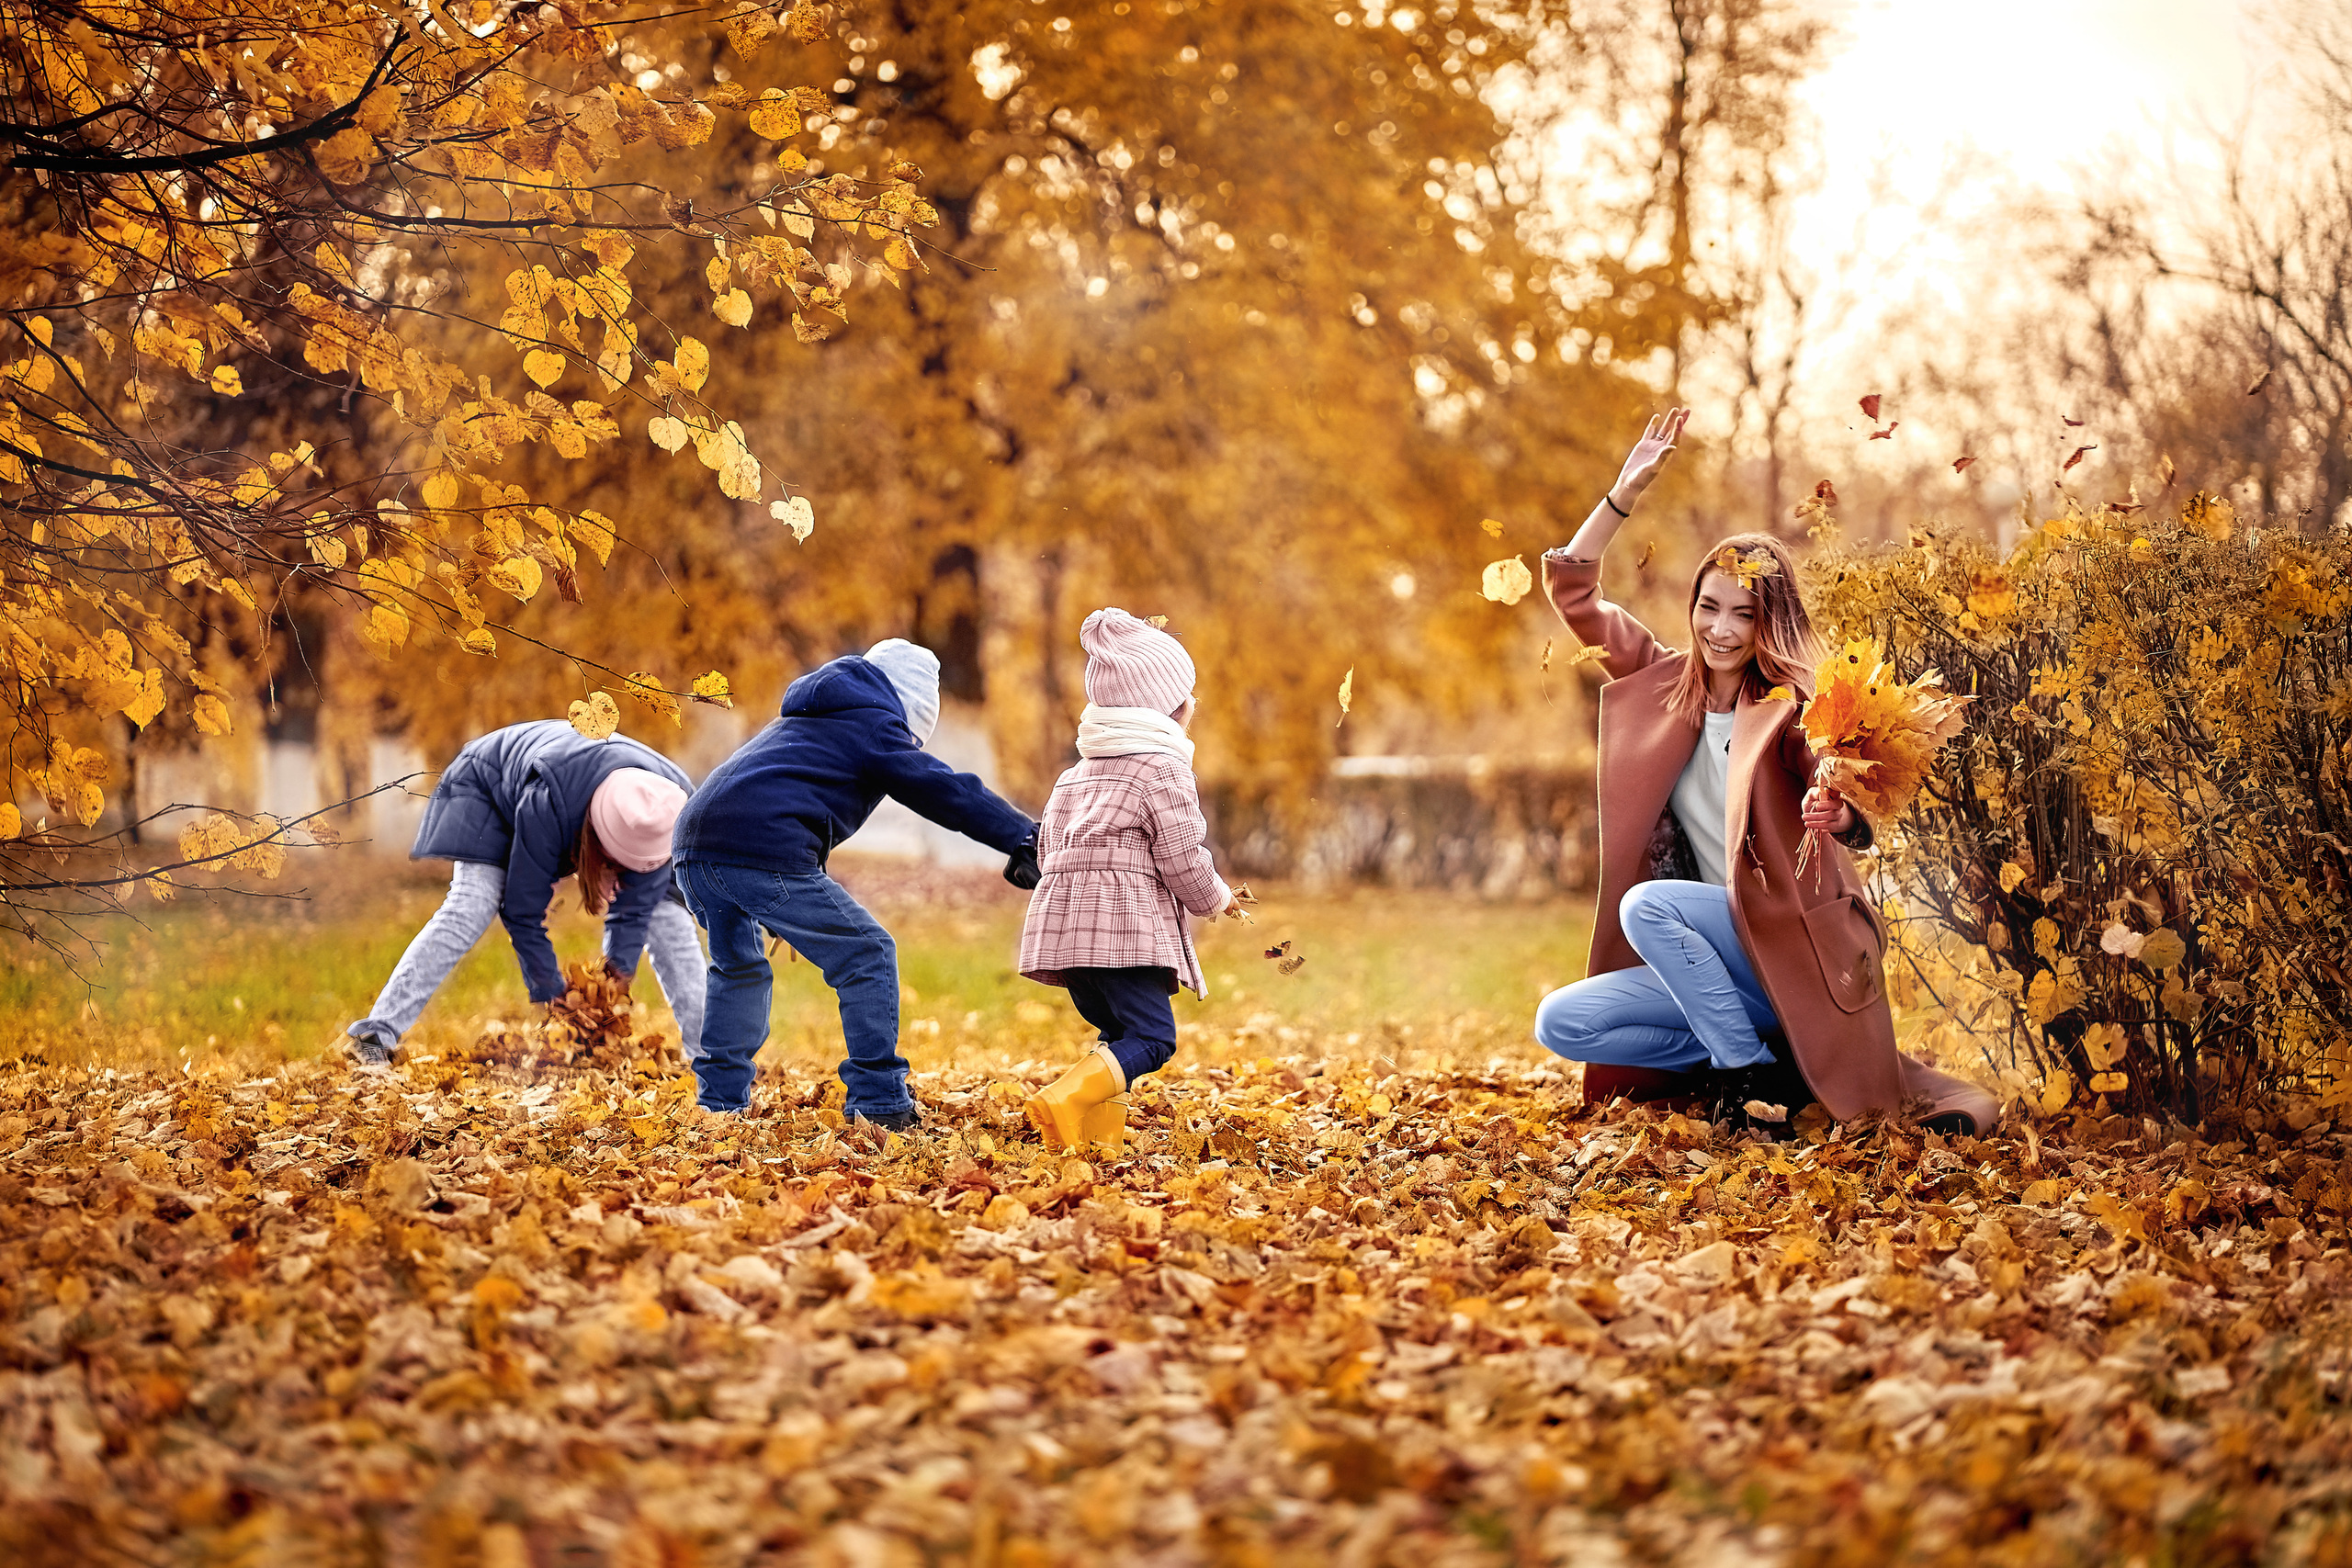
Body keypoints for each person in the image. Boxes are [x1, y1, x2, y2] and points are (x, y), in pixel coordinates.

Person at [1532, 409, 1998, 1135]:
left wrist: (1841, 816)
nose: (1719, 629)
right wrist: (1624, 492)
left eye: (1741, 615)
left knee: (1646, 905)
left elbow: (1836, 781)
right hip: (1712, 960)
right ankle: (1761, 1058)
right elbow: (1575, 595)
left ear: (1765, 623)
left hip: (1784, 944)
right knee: (1563, 1021)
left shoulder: (1787, 706)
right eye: (1709, 607)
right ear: (1692, 607)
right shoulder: (1661, 682)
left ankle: (1746, 1079)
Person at [672, 638, 1040, 1129]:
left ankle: (719, 1103)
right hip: (757, 848)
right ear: (910, 711)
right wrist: (1024, 836)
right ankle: (880, 1100)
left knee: (738, 968)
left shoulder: (812, 717)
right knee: (866, 953)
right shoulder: (873, 724)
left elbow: (782, 795)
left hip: (695, 847)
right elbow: (944, 790)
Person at [347, 719, 701, 1067]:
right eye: (614, 861)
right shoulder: (550, 801)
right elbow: (522, 910)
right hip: (489, 785)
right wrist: (553, 994)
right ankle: (375, 1034)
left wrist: (607, 997)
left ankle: (710, 1059)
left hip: (576, 795)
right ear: (598, 841)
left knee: (669, 920)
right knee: (472, 904)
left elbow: (634, 913)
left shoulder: (668, 813)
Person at [1016, 609, 1244, 1149]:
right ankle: (1064, 1099)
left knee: (1117, 1033)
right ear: (1175, 707)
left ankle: (1093, 1144)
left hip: (1067, 939)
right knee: (1151, 1039)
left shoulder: (1076, 774)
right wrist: (1218, 899)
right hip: (1126, 937)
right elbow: (1182, 854)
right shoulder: (1162, 769)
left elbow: (1049, 848)